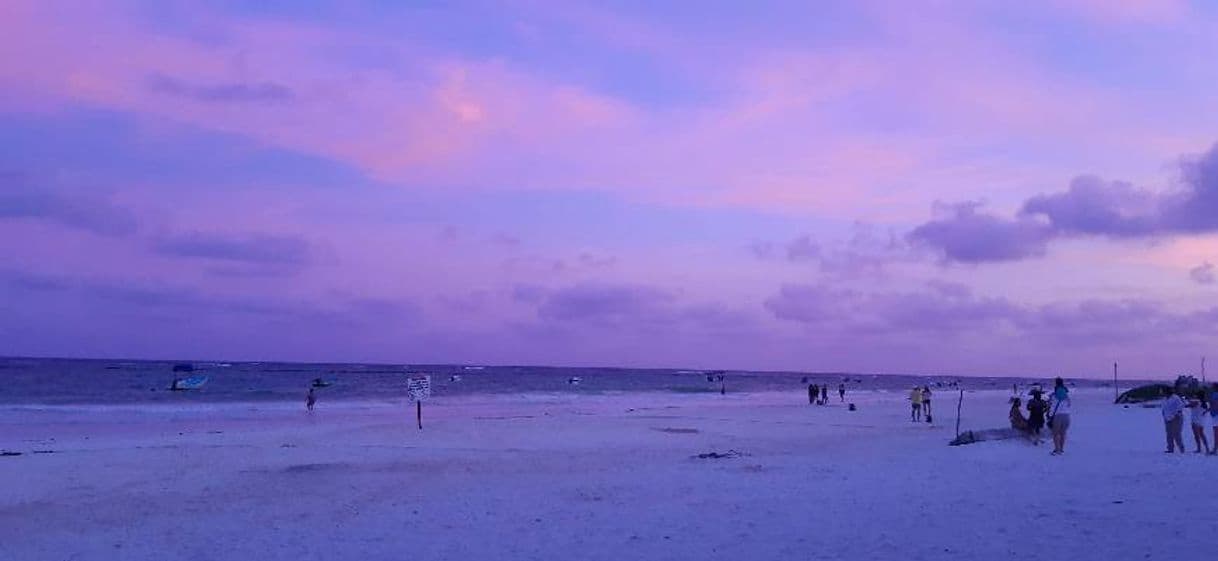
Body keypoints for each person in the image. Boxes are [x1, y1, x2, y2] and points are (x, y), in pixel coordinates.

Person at [1049, 378, 1071, 455]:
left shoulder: (1054, 395)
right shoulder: (1066, 394)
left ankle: (1057, 450)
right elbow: (1069, 405)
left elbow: (1052, 407)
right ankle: (1061, 449)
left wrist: (1050, 416)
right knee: (1063, 433)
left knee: (1055, 434)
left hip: (1057, 416)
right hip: (1067, 416)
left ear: (1056, 383)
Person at [1161, 387, 1185, 453]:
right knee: (1169, 434)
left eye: (1164, 392)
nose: (1163, 393)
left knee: (1177, 434)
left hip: (1176, 418)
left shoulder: (1175, 398)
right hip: (1167, 418)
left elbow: (1181, 406)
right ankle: (1170, 449)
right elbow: (1163, 408)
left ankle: (1181, 449)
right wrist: (1164, 415)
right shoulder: (1164, 399)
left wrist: (1176, 415)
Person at [1210, 383, 1218, 456]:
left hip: (1215, 415)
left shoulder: (1214, 394)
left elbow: (1213, 404)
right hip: (1215, 414)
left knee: (1216, 433)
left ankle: (1215, 449)